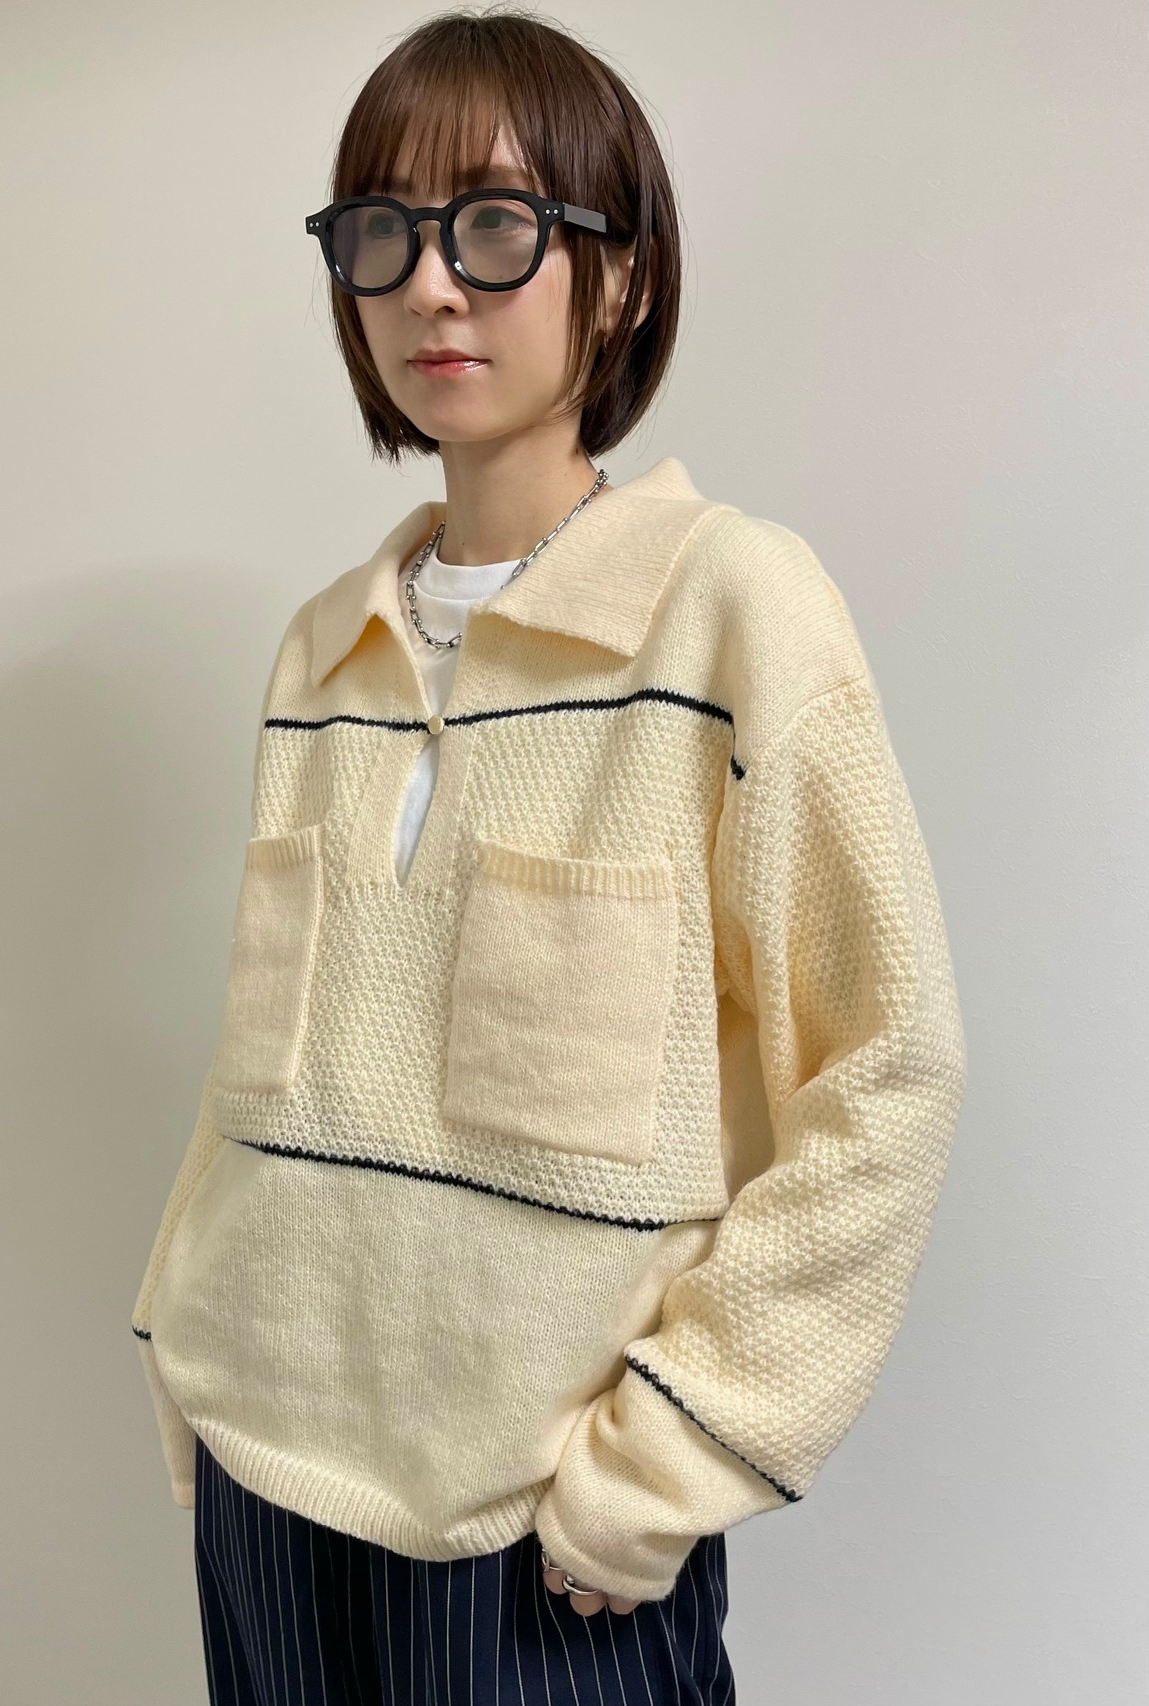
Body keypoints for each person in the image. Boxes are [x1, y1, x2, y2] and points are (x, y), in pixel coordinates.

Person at [130, 9, 968, 1703]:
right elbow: (265, 1068)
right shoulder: (322, 649)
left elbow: (889, 1068)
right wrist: (183, 1350)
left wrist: (675, 1455)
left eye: (497, 226)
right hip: (263, 1478)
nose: (432, 287)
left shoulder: (731, 606)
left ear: (624, 274)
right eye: (383, 232)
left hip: (536, 1538)